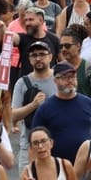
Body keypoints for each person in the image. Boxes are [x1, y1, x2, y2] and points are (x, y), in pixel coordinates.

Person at [31, 62, 91, 163]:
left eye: (73, 77)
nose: (70, 81)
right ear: (55, 80)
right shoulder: (45, 109)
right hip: (57, 167)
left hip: (88, 165)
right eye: (65, 77)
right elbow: (34, 141)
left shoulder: (89, 104)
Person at [11, 39, 57, 172]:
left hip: (55, 144)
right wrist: (33, 105)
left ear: (50, 56)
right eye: (34, 55)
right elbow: (13, 116)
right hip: (29, 146)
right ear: (29, 59)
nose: (38, 58)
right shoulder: (22, 83)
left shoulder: (59, 79)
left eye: (42, 54)